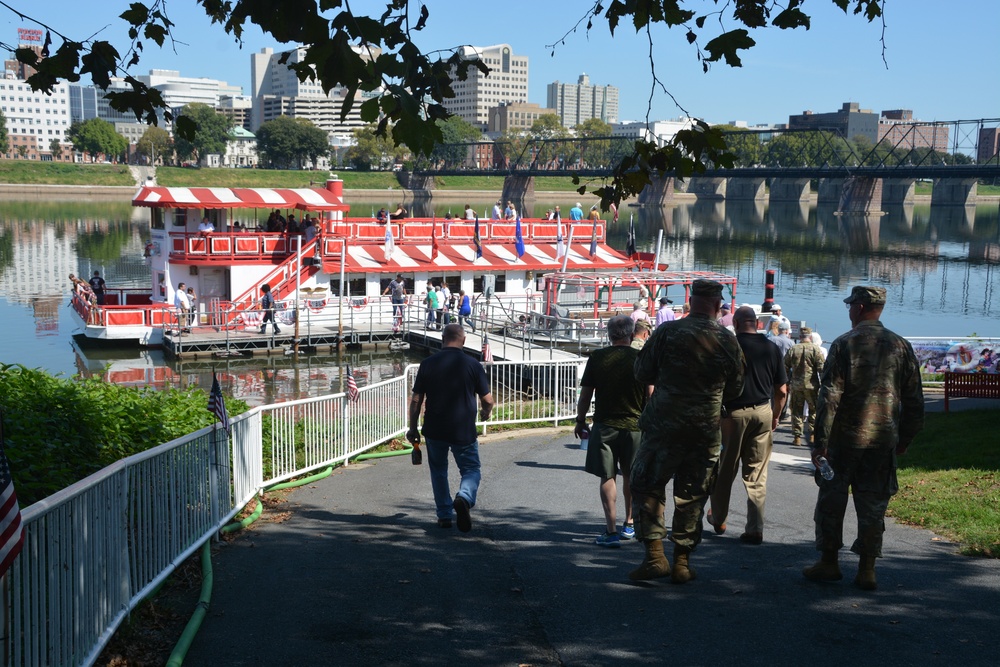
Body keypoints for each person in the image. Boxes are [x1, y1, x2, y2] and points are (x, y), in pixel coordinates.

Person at [803, 286, 924, 591]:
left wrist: (821, 442)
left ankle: (829, 563)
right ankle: (867, 569)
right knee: (873, 505)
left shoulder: (845, 344)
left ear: (858, 308)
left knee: (832, 501)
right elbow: (915, 400)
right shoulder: (901, 346)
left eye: (850, 306)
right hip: (882, 441)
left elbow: (829, 396)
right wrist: (904, 438)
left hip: (844, 441)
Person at [629, 279, 744, 584]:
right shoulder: (728, 340)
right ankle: (681, 562)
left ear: (691, 301)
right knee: (693, 494)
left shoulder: (668, 332)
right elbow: (736, 388)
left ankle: (655, 557)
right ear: (719, 304)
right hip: (705, 429)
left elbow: (641, 372)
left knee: (648, 484)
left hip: (664, 425)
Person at [707, 306, 787, 545]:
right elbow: (782, 390)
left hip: (733, 415)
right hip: (763, 411)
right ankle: (755, 528)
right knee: (757, 474)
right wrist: (775, 415)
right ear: (757, 324)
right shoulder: (771, 348)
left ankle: (719, 518)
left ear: (738, 324)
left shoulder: (728, 347)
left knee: (725, 470)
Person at [407, 324, 495, 531]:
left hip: (434, 429)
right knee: (471, 469)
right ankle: (464, 497)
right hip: (463, 429)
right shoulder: (473, 365)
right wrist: (485, 412)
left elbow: (416, 399)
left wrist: (413, 428)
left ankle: (444, 515)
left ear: (442, 338)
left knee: (438, 471)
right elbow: (488, 400)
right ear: (463, 340)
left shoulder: (427, 364)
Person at [575, 315, 646, 548]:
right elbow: (652, 393)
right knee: (630, 476)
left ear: (609, 333)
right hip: (635, 427)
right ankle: (630, 524)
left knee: (608, 476)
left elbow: (586, 394)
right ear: (631, 333)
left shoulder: (597, 357)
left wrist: (580, 420)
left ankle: (611, 530)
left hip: (605, 426)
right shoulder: (640, 357)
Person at [784, 326, 826, 446]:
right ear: (810, 336)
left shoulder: (793, 349)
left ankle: (797, 437)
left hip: (796, 385)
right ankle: (812, 434)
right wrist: (823, 383)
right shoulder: (815, 349)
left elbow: (785, 366)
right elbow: (821, 369)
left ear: (800, 337)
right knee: (813, 409)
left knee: (796, 410)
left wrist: (786, 382)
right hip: (811, 385)